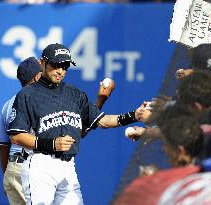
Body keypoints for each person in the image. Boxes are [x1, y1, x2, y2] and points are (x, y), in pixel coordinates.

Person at [7, 43, 143, 205]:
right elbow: (16, 136)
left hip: (68, 167)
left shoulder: (74, 94)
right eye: (56, 65)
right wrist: (51, 144)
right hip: (39, 164)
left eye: (65, 66)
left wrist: (134, 115)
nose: (60, 70)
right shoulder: (27, 95)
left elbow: (103, 121)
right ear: (42, 63)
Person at [0, 57, 42, 205]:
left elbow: (3, 147)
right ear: (37, 77)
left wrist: (7, 175)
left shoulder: (8, 105)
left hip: (13, 169)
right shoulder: (42, 102)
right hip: (32, 171)